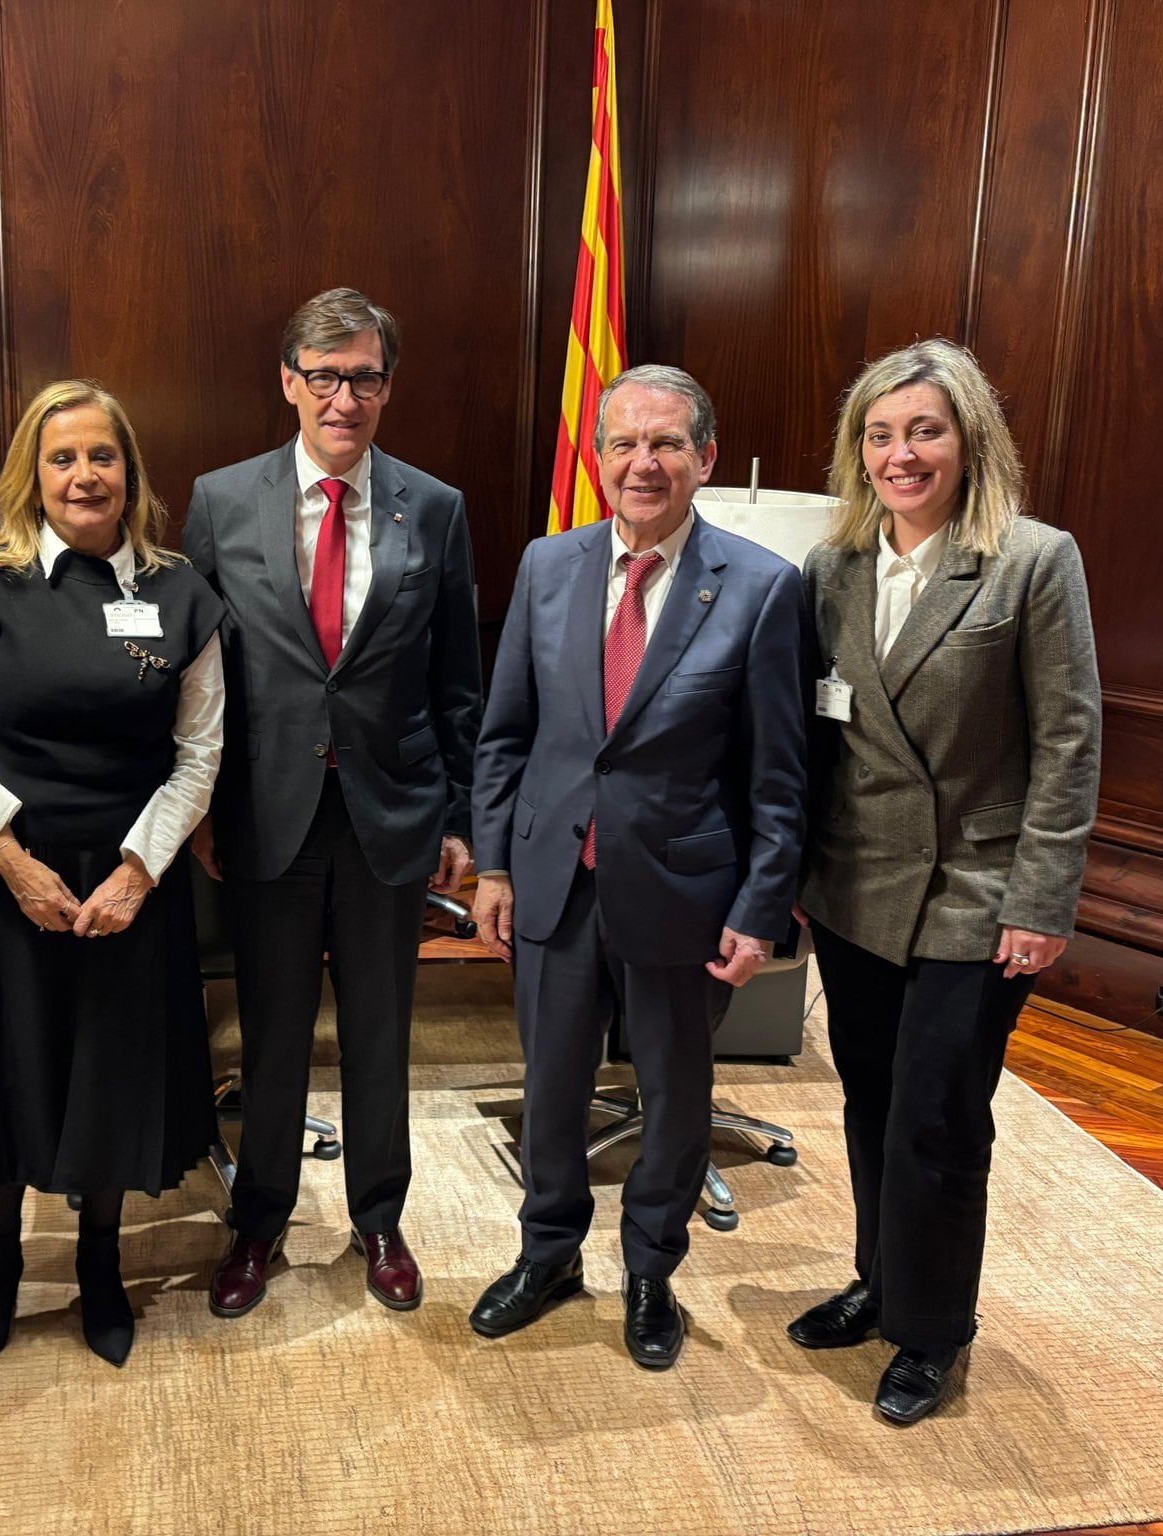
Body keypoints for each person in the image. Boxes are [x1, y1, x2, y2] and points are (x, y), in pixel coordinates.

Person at [467, 363, 806, 1370]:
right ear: (597, 455)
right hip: (554, 883)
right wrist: (491, 865)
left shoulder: (759, 587)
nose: (641, 463)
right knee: (552, 1084)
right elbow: (504, 735)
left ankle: (651, 1269)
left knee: (671, 1096)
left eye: (665, 444)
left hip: (684, 894)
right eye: (622, 442)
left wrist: (762, 905)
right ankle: (548, 1254)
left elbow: (777, 774)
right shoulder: (546, 565)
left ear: (704, 457)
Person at [787, 337, 1101, 1425]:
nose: (899, 454)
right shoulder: (831, 569)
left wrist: (1040, 900)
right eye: (878, 434)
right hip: (855, 889)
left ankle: (931, 1330)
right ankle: (881, 1282)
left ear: (968, 440)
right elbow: (813, 741)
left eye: (922, 430)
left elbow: (1067, 739)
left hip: (975, 891)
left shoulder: (1029, 560)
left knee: (936, 1117)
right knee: (870, 1102)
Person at [184, 287, 483, 1318]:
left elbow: (457, 679)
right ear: (287, 382)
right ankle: (258, 1224)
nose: (341, 397)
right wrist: (204, 808)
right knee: (268, 1033)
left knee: (376, 1031)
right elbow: (204, 670)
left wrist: (459, 820)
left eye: (361, 376)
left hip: (388, 814)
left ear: (386, 386)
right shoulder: (220, 502)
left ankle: (378, 1218)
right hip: (263, 811)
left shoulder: (433, 508)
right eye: (323, 375)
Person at [0, 379, 224, 1373]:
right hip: (10, 872)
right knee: (12, 1067)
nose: (83, 474)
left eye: (101, 455)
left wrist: (138, 871)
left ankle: (99, 1260)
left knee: (112, 1067)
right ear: (32, 473)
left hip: (132, 873)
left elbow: (199, 754)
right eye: (62, 458)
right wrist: (10, 862)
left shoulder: (177, 595)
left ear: (128, 471)